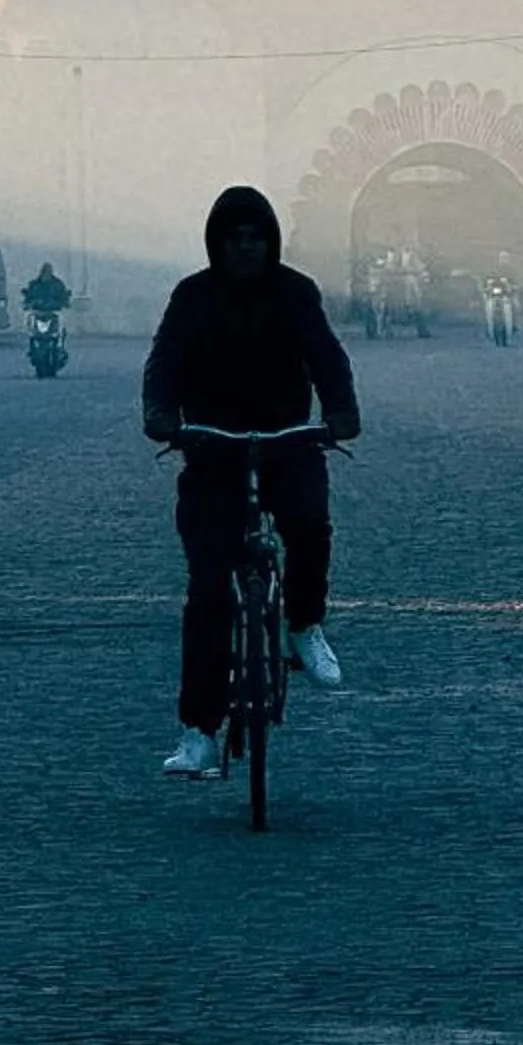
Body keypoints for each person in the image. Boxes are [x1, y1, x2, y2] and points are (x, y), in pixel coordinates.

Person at [141, 184, 362, 782]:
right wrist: (162, 417)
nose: (245, 249)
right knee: (209, 594)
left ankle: (303, 626)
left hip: (289, 443)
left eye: (255, 238)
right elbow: (164, 365)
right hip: (213, 452)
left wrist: (341, 411)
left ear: (271, 241)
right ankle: (198, 734)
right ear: (217, 242)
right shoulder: (192, 298)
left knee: (310, 527)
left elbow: (326, 356)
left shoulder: (295, 293)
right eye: (234, 239)